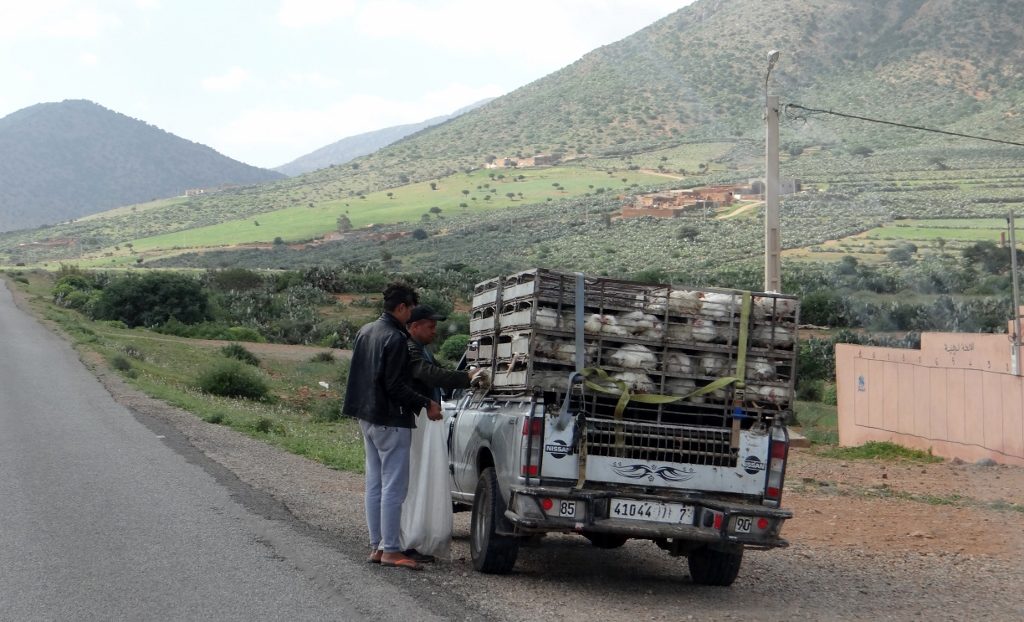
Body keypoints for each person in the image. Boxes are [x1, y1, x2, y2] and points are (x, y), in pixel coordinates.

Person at [342, 283, 441, 571]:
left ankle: (377, 546)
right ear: (401, 307)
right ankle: (391, 550)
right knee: (394, 487)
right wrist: (426, 403)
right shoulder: (396, 338)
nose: (411, 315)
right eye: (410, 309)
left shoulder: (366, 331)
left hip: (366, 416)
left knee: (375, 483)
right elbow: (395, 385)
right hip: (390, 418)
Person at [400, 305, 486, 563]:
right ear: (415, 326)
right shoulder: (411, 349)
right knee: (415, 479)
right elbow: (430, 374)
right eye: (430, 326)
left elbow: (439, 373)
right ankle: (407, 540)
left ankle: (414, 538)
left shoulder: (422, 349)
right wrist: (467, 377)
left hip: (425, 420)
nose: (434, 331)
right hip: (417, 420)